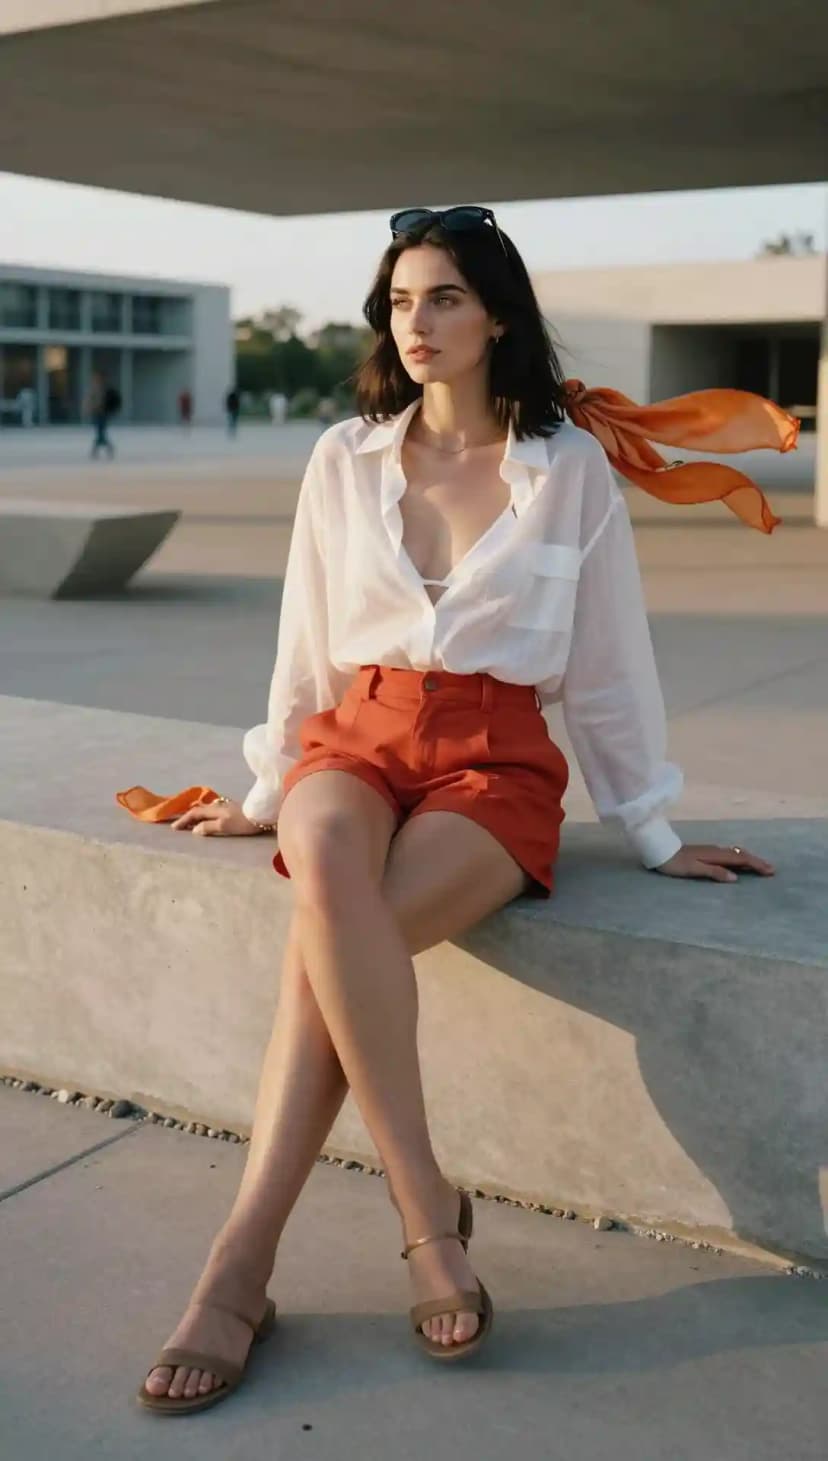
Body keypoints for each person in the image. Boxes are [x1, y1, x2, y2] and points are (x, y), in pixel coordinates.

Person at [136, 205, 780, 1413]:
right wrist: (269, 790)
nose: (416, 323)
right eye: (399, 301)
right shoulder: (345, 456)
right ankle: (425, 1207)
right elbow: (305, 644)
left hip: (495, 758)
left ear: (495, 316)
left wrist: (652, 825)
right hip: (357, 735)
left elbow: (604, 663)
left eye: (443, 298)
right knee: (324, 861)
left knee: (324, 945)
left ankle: (239, 1264)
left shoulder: (567, 468)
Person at [87, 373, 120, 459]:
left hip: (103, 413)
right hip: (96, 413)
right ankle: (104, 448)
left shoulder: (106, 390)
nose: (95, 380)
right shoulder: (94, 389)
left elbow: (102, 401)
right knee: (100, 432)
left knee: (100, 432)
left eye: (97, 378)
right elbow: (90, 400)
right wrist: (89, 408)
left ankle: (98, 450)